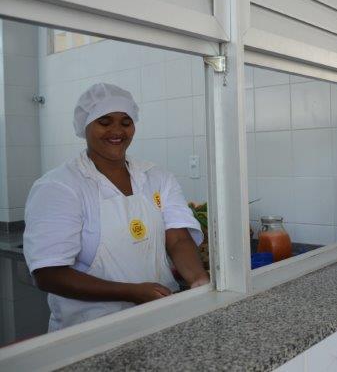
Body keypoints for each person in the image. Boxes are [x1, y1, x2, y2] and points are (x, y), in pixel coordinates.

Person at [23, 83, 209, 332]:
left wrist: (198, 280)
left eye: (126, 122)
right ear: (85, 126)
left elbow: (177, 239)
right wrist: (130, 292)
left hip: (159, 318)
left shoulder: (156, 177)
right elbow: (48, 274)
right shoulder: (60, 186)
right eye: (105, 121)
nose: (117, 131)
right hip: (88, 331)